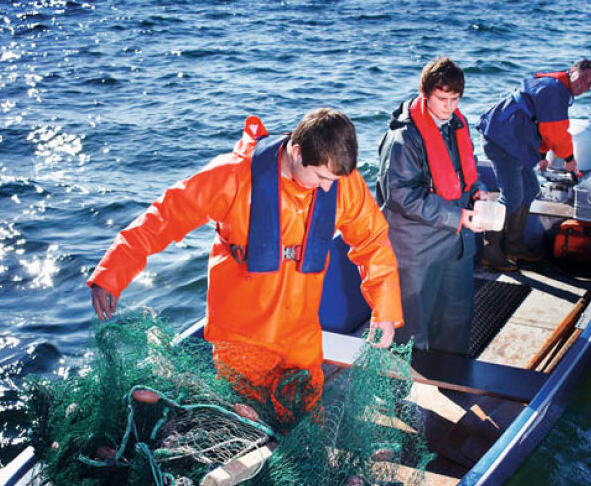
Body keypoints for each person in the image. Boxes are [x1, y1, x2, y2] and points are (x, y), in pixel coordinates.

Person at [88, 108, 403, 420]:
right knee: (247, 422)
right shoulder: (232, 175)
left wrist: (384, 310)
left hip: (299, 334)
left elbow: (372, 241)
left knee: (306, 420)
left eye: (332, 180)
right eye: (320, 177)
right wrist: (112, 271)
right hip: (241, 336)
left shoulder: (338, 180)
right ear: (296, 151)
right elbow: (164, 217)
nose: (326, 188)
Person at [376, 56, 487, 361]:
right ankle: (397, 394)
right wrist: (457, 216)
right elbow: (400, 195)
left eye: (455, 99)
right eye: (442, 99)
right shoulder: (402, 140)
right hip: (416, 249)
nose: (449, 107)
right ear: (425, 95)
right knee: (409, 329)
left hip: (456, 243)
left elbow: (465, 175)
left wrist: (478, 194)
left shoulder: (457, 126)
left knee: (456, 317)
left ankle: (452, 382)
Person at [477, 59, 591, 270]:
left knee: (531, 189)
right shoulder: (555, 90)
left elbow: (539, 122)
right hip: (502, 141)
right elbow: (556, 132)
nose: (583, 86)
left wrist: (542, 153)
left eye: (589, 84)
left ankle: (514, 246)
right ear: (572, 71)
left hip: (518, 142)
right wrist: (569, 159)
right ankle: (490, 251)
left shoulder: (559, 90)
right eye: (583, 78)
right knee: (512, 196)